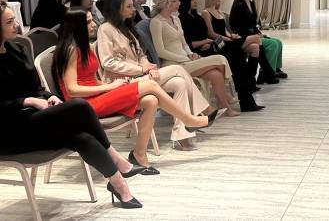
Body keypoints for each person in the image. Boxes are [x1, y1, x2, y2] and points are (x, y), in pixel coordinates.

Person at [0, 0, 142, 209]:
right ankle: (118, 161)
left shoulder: (16, 49)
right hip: (8, 130)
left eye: (15, 20)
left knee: (82, 138)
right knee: (79, 106)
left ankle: (119, 185)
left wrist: (49, 96)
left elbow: (35, 87)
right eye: (9, 22)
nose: (17, 25)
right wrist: (27, 101)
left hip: (32, 119)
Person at [53, 9, 214, 175]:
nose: (93, 24)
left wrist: (110, 85)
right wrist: (109, 87)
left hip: (97, 96)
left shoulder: (86, 47)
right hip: (83, 105)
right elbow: (72, 90)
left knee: (151, 100)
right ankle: (189, 120)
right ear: (76, 26)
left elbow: (92, 80)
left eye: (91, 19)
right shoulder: (70, 50)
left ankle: (139, 155)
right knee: (151, 85)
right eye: (88, 22)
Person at [96, 0, 215, 152]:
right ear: (117, 8)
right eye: (129, 6)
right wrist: (141, 69)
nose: (133, 9)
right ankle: (203, 111)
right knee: (178, 69)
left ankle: (182, 136)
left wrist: (148, 67)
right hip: (121, 82)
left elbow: (141, 55)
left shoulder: (127, 28)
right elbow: (107, 62)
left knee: (179, 83)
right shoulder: (105, 29)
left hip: (140, 77)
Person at [150, 0, 246, 117]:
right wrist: (184, 58)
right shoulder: (156, 22)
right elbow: (160, 51)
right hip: (174, 65)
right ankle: (228, 94)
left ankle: (225, 107)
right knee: (220, 59)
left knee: (216, 74)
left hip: (186, 60)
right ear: (165, 3)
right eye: (175, 1)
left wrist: (190, 53)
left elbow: (184, 43)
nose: (179, 3)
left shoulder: (176, 19)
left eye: (178, 0)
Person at [200, 0, 265, 110]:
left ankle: (250, 81)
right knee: (256, 39)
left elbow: (224, 30)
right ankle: (254, 79)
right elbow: (211, 33)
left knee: (255, 47)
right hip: (221, 45)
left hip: (228, 41)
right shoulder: (206, 12)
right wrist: (227, 38)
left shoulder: (219, 12)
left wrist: (231, 35)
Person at [229, 0, 288, 83]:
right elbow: (239, 27)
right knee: (273, 44)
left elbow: (252, 23)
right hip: (245, 37)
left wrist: (258, 32)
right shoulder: (239, 6)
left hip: (253, 34)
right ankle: (266, 73)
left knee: (278, 42)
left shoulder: (251, 3)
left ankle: (276, 68)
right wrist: (254, 34)